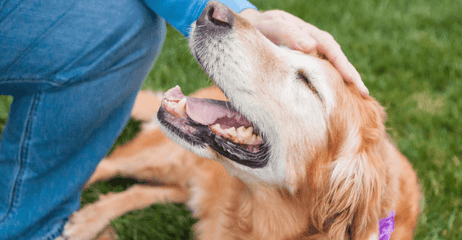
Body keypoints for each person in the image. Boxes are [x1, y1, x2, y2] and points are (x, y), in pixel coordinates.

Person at [0, 0, 367, 239]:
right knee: (127, 24)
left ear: (337, 183)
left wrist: (249, 16)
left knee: (125, 21)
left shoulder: (352, 191)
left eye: (304, 84)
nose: (218, 15)